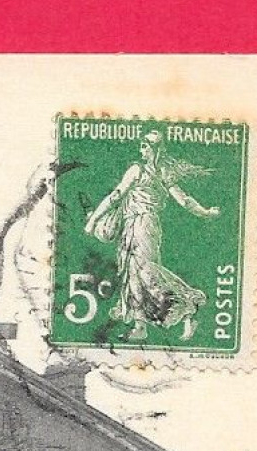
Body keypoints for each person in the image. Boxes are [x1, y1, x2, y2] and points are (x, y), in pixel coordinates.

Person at [84, 129, 221, 343]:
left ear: (155, 149)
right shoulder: (152, 171)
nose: (142, 150)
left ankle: (189, 306)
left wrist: (93, 220)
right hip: (136, 225)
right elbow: (119, 195)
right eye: (141, 146)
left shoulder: (143, 171)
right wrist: (205, 212)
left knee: (146, 271)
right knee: (133, 272)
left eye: (145, 146)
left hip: (144, 225)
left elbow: (117, 196)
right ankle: (140, 326)